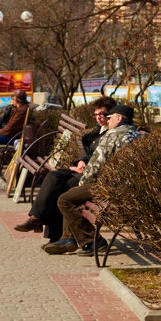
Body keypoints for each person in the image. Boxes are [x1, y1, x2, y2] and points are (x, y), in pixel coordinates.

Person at [14, 96, 116, 242]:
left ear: (112, 115)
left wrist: (85, 167)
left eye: (103, 114)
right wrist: (81, 161)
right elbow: (90, 152)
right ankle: (36, 218)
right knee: (53, 176)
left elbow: (101, 157)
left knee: (59, 190)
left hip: (93, 175)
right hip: (85, 168)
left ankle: (56, 236)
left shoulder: (112, 133)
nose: (99, 117)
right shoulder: (99, 130)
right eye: (96, 114)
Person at [44, 103, 141, 254]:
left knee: (65, 199)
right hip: (131, 187)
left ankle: (93, 241)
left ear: (119, 118)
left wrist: (82, 184)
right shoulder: (136, 134)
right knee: (72, 194)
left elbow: (96, 165)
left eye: (110, 118)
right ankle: (68, 238)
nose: (107, 121)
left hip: (112, 187)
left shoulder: (113, 135)